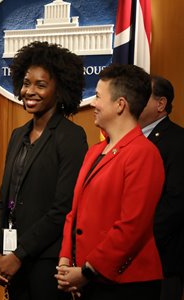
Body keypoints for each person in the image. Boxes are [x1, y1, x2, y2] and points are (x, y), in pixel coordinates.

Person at [0, 41, 88, 300]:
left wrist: (20, 256)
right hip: (10, 260)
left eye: (40, 85)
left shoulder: (72, 136)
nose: (29, 91)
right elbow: (3, 201)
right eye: (26, 83)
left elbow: (62, 209)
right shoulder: (17, 135)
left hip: (46, 263)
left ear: (60, 90)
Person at [56, 64, 165, 300]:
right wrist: (66, 264)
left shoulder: (144, 153)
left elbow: (132, 226)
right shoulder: (94, 151)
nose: (92, 103)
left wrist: (86, 271)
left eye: (97, 96)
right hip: (86, 281)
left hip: (125, 286)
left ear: (120, 105)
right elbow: (73, 213)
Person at [139, 75, 184, 300]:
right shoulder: (124, 140)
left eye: (142, 96)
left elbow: (175, 204)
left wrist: (136, 241)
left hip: (161, 259)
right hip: (127, 261)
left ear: (161, 104)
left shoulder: (178, 141)